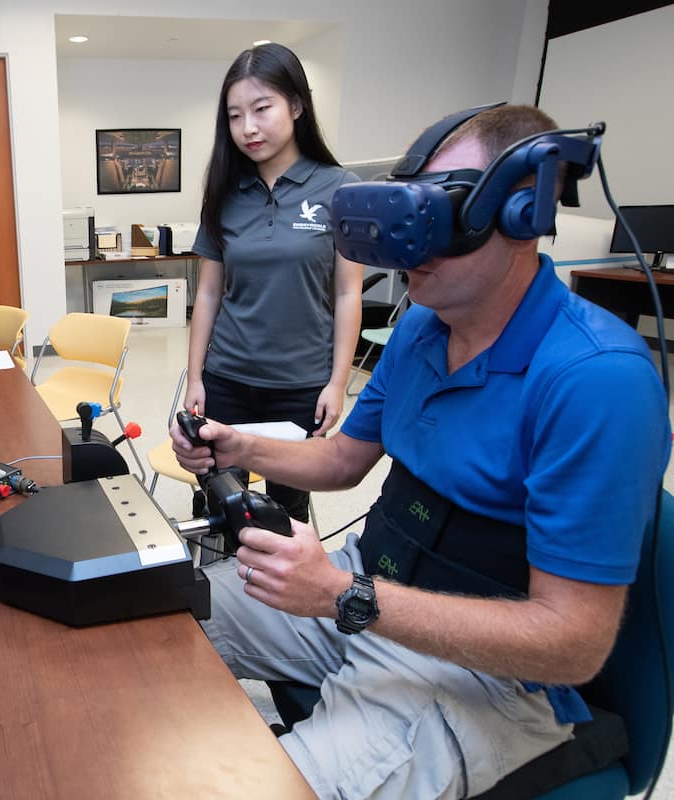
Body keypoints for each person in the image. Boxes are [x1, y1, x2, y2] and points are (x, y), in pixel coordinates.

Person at [171, 104, 670, 799]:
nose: (406, 248)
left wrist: (347, 597)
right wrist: (237, 444)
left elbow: (575, 643)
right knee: (162, 617)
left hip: (482, 676)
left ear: (525, 210)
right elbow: (343, 460)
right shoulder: (421, 330)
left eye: (439, 215)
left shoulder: (596, 380)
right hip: (371, 591)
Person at [186, 43, 364, 524]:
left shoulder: (339, 189)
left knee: (286, 511)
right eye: (235, 115)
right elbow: (207, 294)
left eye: (262, 108)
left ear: (297, 105)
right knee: (218, 504)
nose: (248, 128)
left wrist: (338, 383)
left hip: (299, 384)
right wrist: (196, 376)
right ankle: (213, 597)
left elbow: (349, 293)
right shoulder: (224, 194)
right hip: (227, 378)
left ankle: (285, 601)